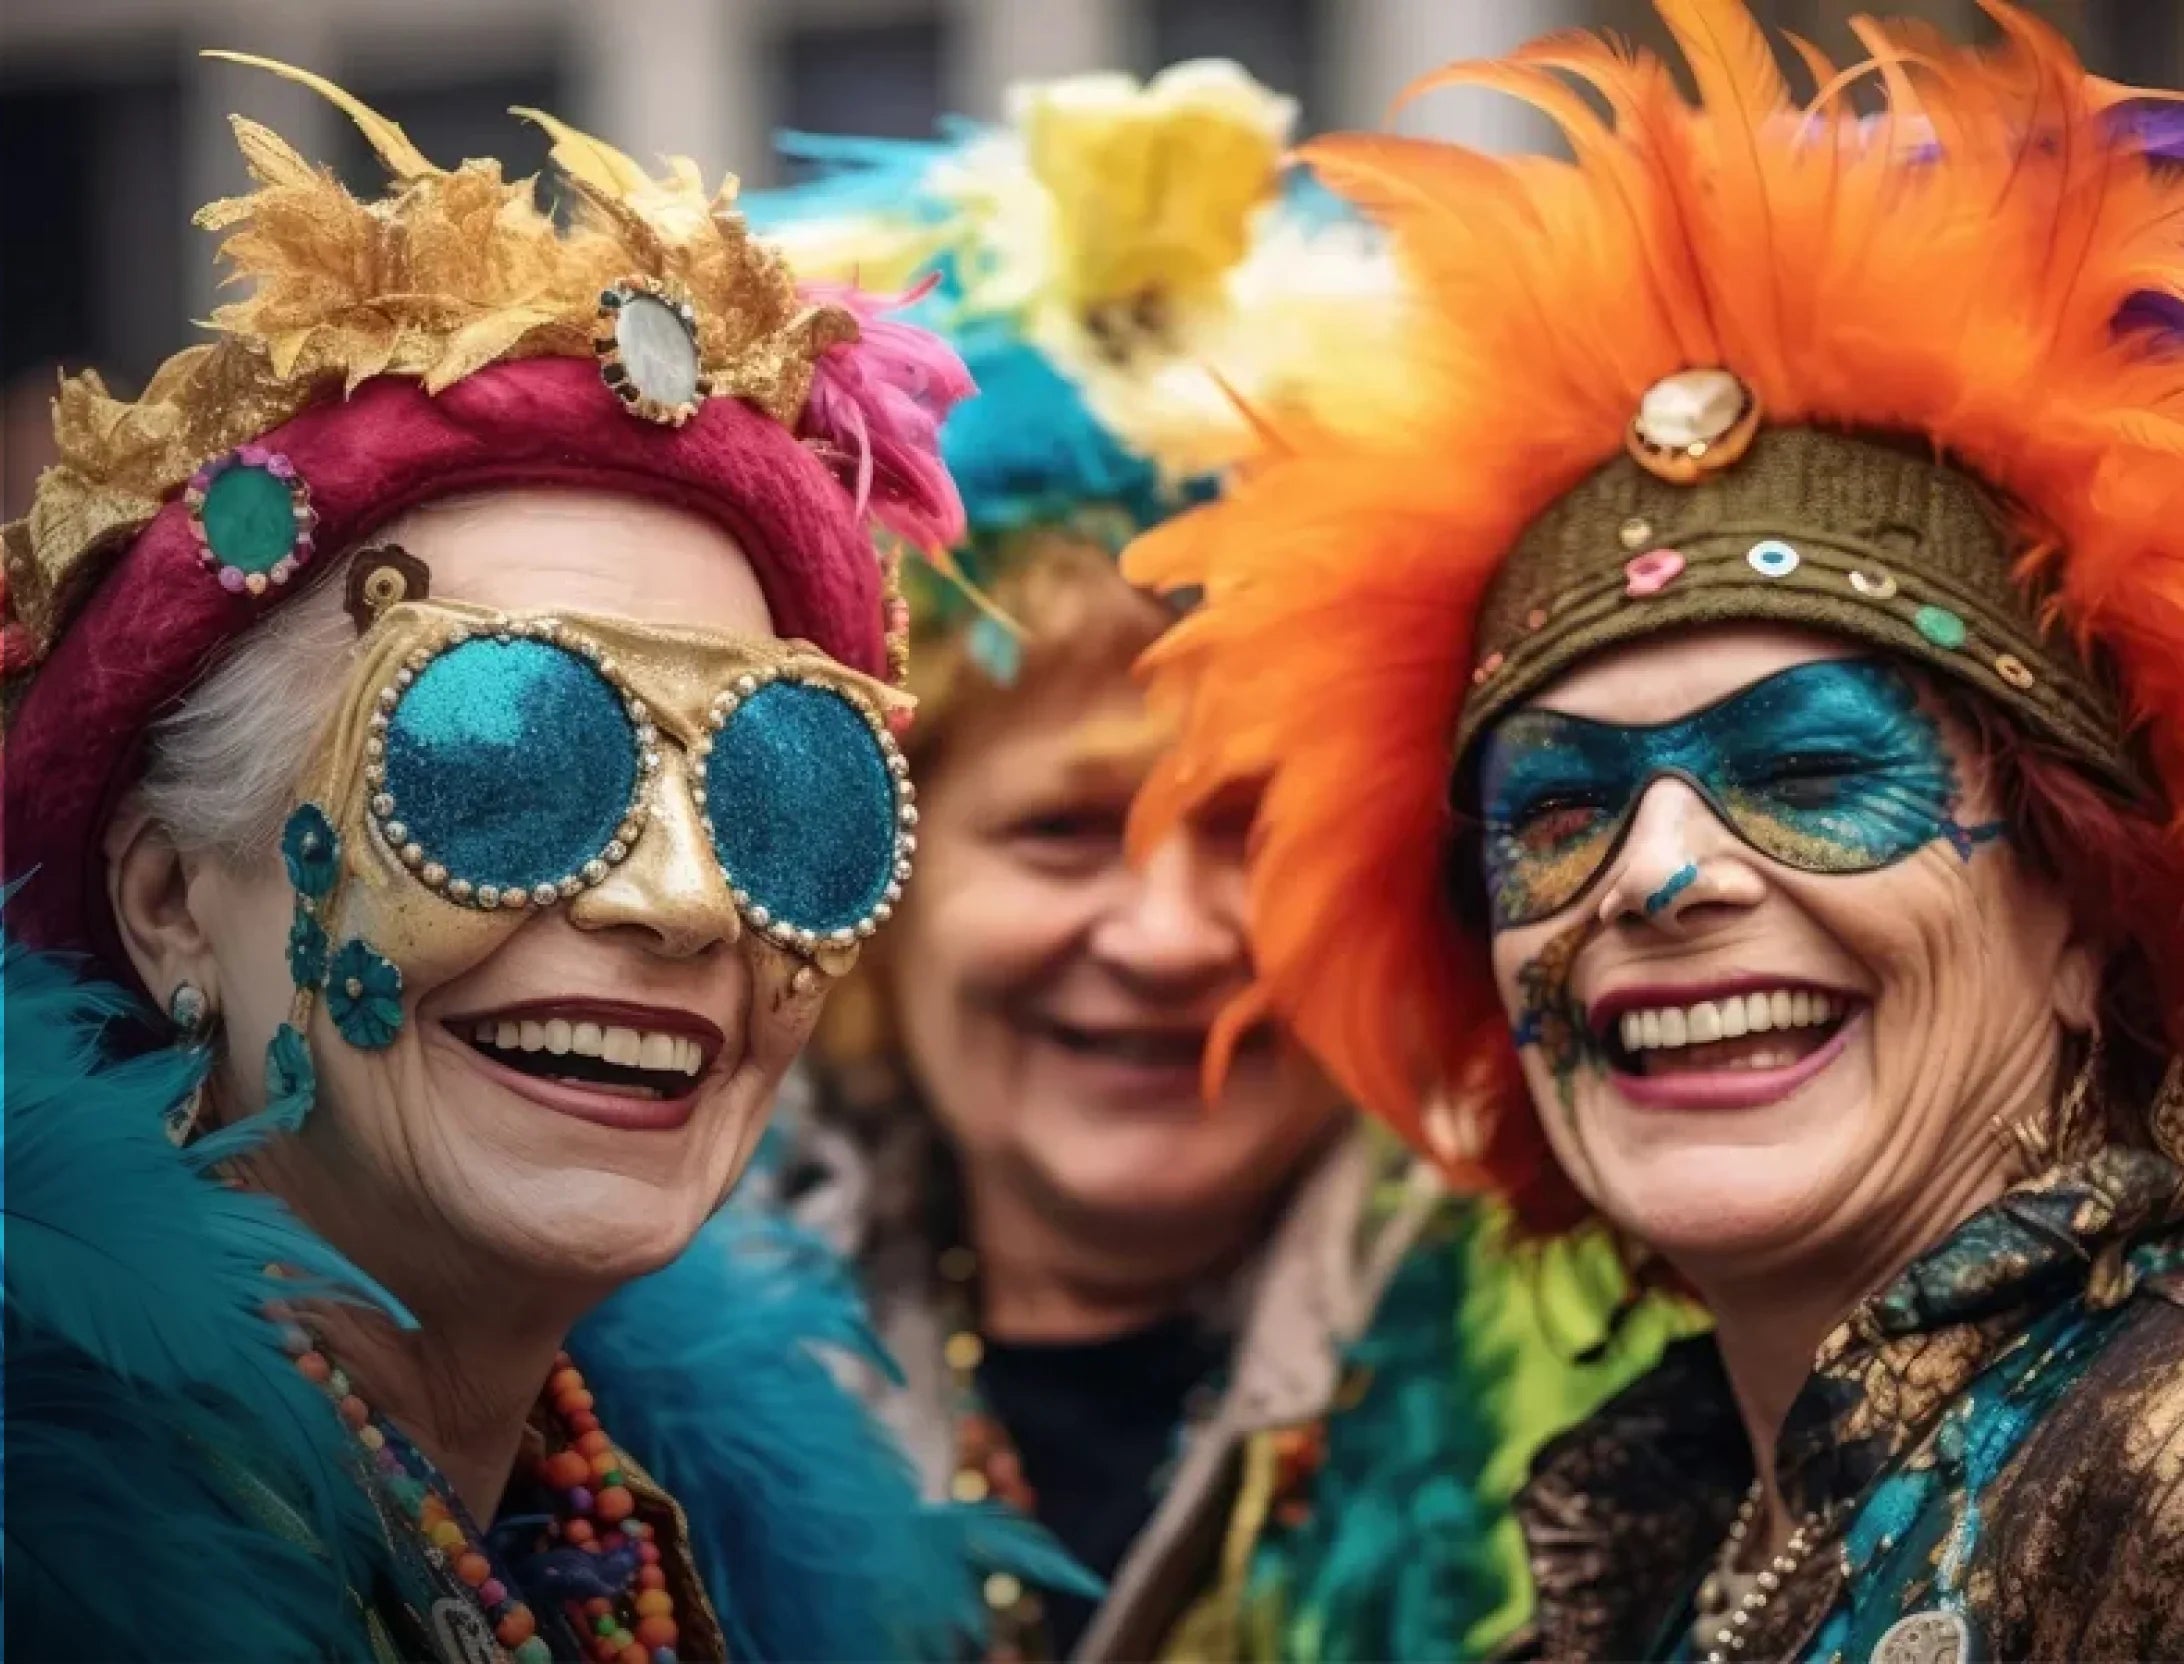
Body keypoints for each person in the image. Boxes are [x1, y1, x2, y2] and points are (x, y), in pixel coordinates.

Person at [1122, 6, 2184, 1662]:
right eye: (1557, 809)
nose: (1658, 873)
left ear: (2078, 910)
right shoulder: (1674, 1542)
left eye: (1815, 775)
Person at [1, 57, 1056, 1663]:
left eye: (788, 795)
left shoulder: (713, 1551)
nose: (683, 895)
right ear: (168, 904)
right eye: (502, 758)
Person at [712, 63, 1682, 1663]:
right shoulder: (630, 1358)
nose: (1163, 936)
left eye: (1258, 832)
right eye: (1060, 830)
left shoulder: (1640, 1370)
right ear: (884, 879)